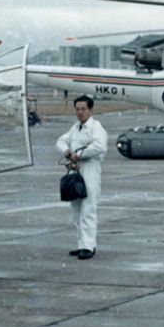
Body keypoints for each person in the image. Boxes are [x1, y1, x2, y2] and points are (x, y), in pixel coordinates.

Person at [56, 95, 108, 260]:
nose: (80, 113)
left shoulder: (96, 128)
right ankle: (81, 244)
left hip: (90, 170)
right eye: (77, 109)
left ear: (90, 110)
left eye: (83, 109)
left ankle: (89, 246)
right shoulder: (75, 127)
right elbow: (61, 141)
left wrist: (78, 154)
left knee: (88, 210)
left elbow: (99, 146)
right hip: (75, 170)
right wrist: (66, 151)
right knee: (77, 211)